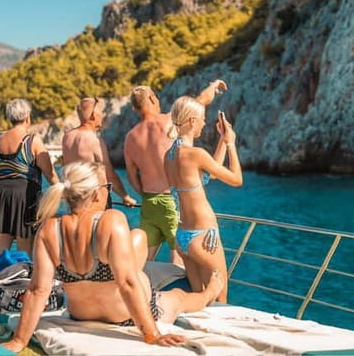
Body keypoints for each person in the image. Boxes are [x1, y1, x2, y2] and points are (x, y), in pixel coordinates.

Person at [1, 162, 224, 353]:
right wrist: (151, 334)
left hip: (80, 315)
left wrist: (19, 340)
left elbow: (38, 290)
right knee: (178, 297)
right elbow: (127, 284)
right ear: (97, 193)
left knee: (137, 241)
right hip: (123, 316)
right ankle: (209, 293)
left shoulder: (49, 228)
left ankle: (197, 290)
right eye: (107, 187)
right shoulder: (111, 221)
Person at [124, 80, 227, 265]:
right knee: (179, 258)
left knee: (144, 261)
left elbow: (131, 176)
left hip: (149, 202)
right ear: (151, 99)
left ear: (135, 108)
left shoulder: (131, 136)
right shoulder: (170, 121)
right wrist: (213, 86)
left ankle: (140, 292)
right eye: (155, 96)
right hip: (172, 201)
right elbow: (199, 102)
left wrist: (146, 194)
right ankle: (178, 294)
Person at [164, 96, 242, 303]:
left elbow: (210, 174)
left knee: (199, 298)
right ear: (191, 121)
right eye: (202, 119)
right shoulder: (195, 154)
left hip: (183, 237)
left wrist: (222, 141)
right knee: (220, 298)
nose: (204, 124)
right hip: (204, 236)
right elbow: (236, 179)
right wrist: (231, 143)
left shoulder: (169, 156)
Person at [0, 98, 59, 269]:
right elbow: (50, 173)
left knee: (1, 246)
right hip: (25, 196)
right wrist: (63, 190)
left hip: (0, 194)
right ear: (27, 116)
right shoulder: (32, 140)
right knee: (25, 247)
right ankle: (21, 285)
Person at [62, 97, 137, 208]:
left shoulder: (67, 137)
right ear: (93, 115)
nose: (103, 115)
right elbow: (109, 174)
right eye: (100, 112)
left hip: (74, 198)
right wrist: (125, 196)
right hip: (94, 199)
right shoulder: (94, 141)